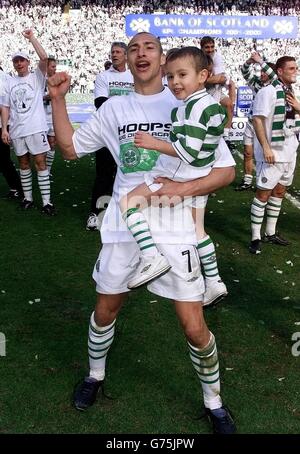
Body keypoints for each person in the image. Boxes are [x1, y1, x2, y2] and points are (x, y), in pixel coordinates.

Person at [48, 32, 236, 434]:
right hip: (123, 226)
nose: (140, 52)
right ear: (128, 61)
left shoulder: (188, 103)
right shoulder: (115, 108)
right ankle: (95, 376)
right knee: (105, 310)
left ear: (163, 58)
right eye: (133, 48)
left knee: (193, 325)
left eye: (148, 47)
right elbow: (68, 148)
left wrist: (178, 189)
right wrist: (59, 99)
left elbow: (226, 170)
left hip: (174, 225)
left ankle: (214, 402)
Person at [118, 46, 228, 308]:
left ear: (203, 75)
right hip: (200, 176)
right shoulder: (208, 104)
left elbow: (187, 153)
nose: (175, 82)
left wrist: (153, 143)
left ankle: (151, 256)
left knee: (128, 203)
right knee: (197, 230)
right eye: (170, 76)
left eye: (182, 75)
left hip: (178, 173)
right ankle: (213, 282)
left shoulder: (191, 108)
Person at [1, 29, 55, 215]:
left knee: (40, 163)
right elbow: (6, 106)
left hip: (36, 128)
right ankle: (28, 198)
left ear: (27, 62)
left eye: (22, 60)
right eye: (16, 61)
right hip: (17, 130)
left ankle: (47, 202)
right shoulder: (9, 81)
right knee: (23, 164)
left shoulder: (36, 77)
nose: (19, 63)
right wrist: (4, 129)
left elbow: (44, 57)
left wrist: (32, 37)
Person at [249, 56, 299, 254]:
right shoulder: (267, 91)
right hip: (272, 153)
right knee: (263, 193)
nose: (295, 71)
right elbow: (258, 120)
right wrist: (266, 148)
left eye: (296, 68)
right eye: (292, 68)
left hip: (290, 150)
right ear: (279, 71)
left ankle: (270, 232)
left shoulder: (292, 93)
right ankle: (255, 236)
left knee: (279, 192)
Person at [86, 41, 134, 231]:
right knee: (103, 176)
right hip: (107, 133)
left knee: (129, 173)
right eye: (112, 52)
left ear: (126, 55)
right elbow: (101, 104)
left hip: (130, 133)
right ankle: (94, 214)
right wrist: (127, 106)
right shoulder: (103, 77)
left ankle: (125, 215)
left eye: (118, 52)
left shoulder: (134, 76)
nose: (114, 55)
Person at [236, 52, 277, 191]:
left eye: (265, 72)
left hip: (265, 125)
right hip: (251, 121)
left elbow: (274, 76)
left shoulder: (276, 86)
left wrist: (260, 62)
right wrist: (249, 61)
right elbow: (244, 71)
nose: (262, 74)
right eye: (262, 72)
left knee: (263, 153)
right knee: (247, 152)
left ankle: (264, 180)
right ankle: (247, 180)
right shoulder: (255, 82)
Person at [200, 36, 234, 143]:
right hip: (201, 90)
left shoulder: (217, 56)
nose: (210, 49)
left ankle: (226, 134)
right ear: (201, 48)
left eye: (212, 47)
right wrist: (209, 80)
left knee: (229, 104)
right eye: (207, 47)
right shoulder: (198, 57)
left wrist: (206, 80)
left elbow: (221, 78)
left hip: (213, 89)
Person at [0, 67, 23, 199]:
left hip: (3, 124)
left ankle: (17, 187)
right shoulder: (5, 78)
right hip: (6, 124)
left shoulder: (2, 79)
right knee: (3, 159)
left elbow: (3, 106)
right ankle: (16, 187)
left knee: (3, 159)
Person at [43, 57, 57, 175]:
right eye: (53, 66)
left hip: (52, 116)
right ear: (46, 67)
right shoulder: (38, 79)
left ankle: (48, 170)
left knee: (52, 144)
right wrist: (46, 97)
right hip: (40, 117)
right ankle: (42, 169)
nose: (55, 69)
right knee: (42, 146)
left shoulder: (57, 80)